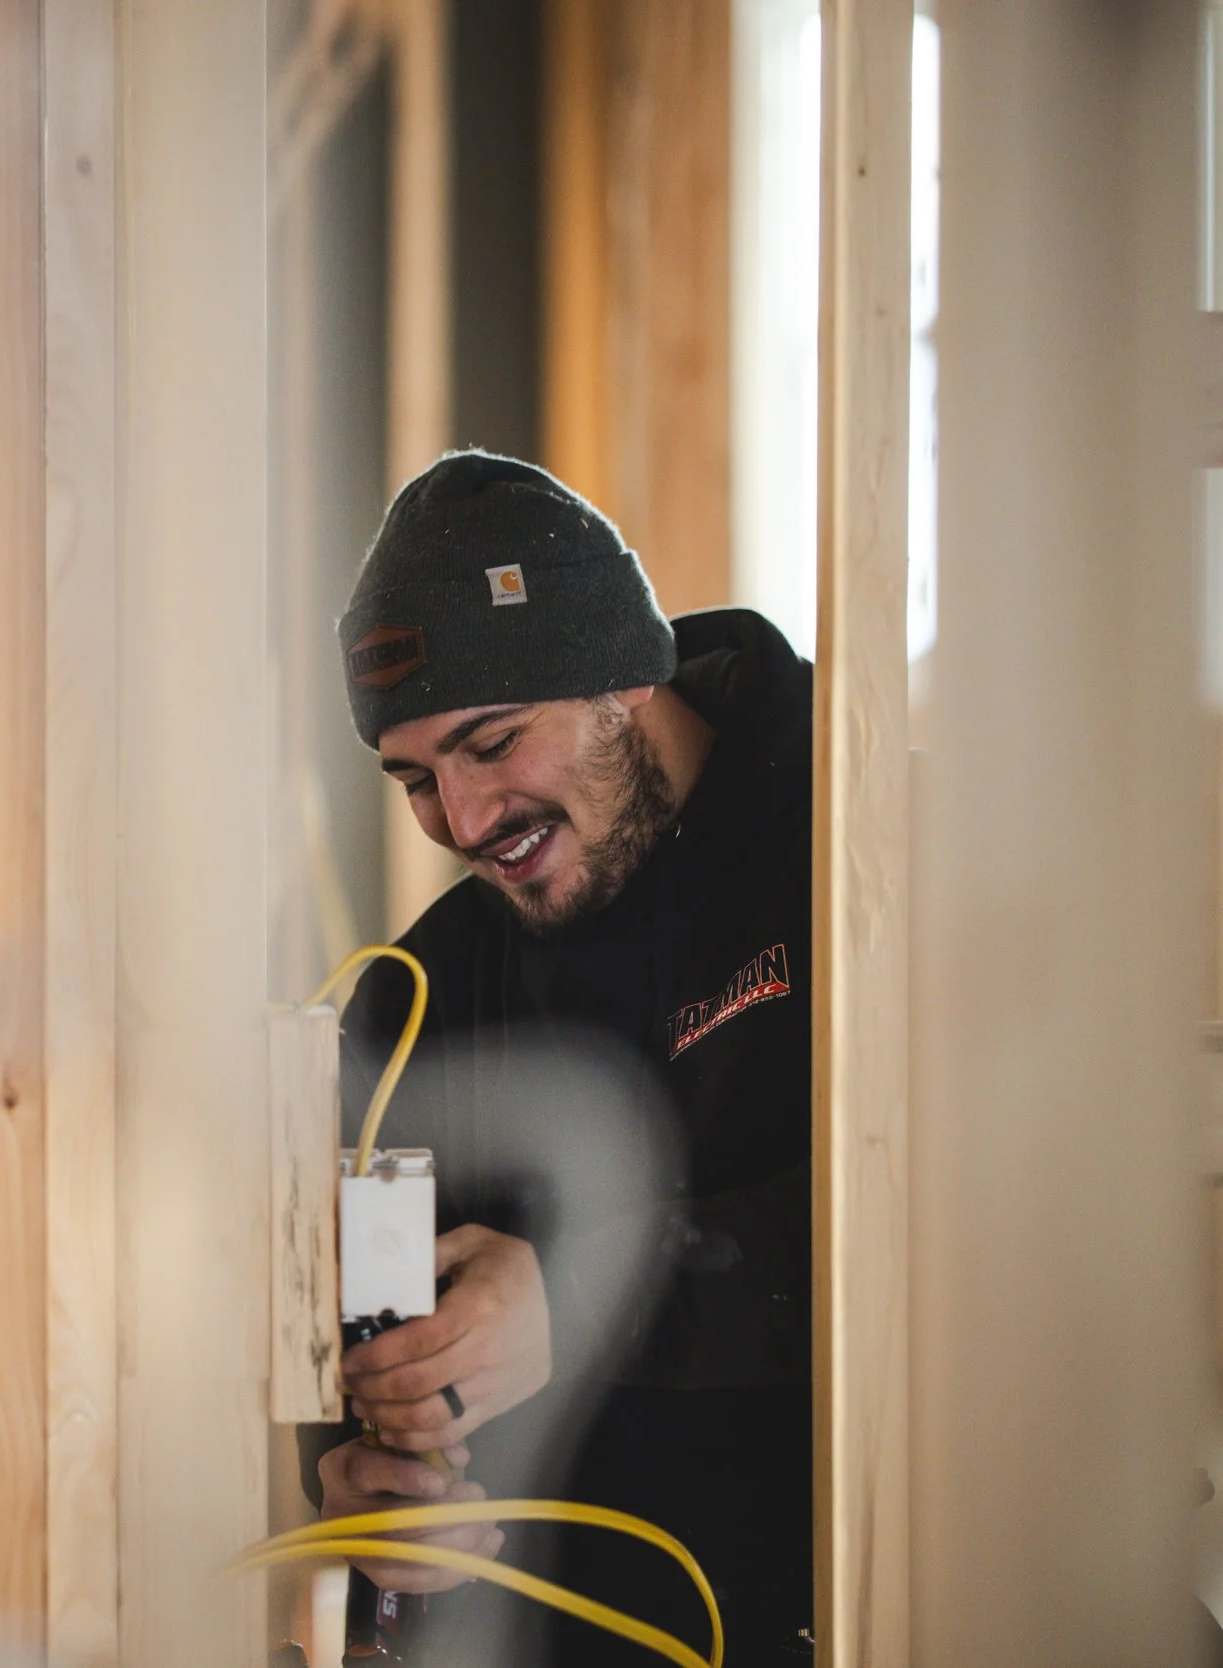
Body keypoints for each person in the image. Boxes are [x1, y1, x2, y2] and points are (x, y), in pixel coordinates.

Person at [310, 452, 812, 1664]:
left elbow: (975, 1229)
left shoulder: (859, 858)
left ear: (622, 676)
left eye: (490, 743)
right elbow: (356, 1340)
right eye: (415, 778)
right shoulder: (412, 1002)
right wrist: (357, 1476)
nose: (464, 822)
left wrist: (590, 1293)